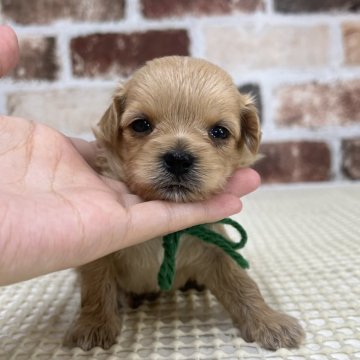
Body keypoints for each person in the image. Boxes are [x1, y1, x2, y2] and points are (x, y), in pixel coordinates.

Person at [0, 25, 260, 286]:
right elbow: (97, 261)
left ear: (248, 136)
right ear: (114, 127)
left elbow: (219, 259)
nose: (179, 156)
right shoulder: (99, 208)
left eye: (218, 132)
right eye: (142, 126)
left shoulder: (208, 213)